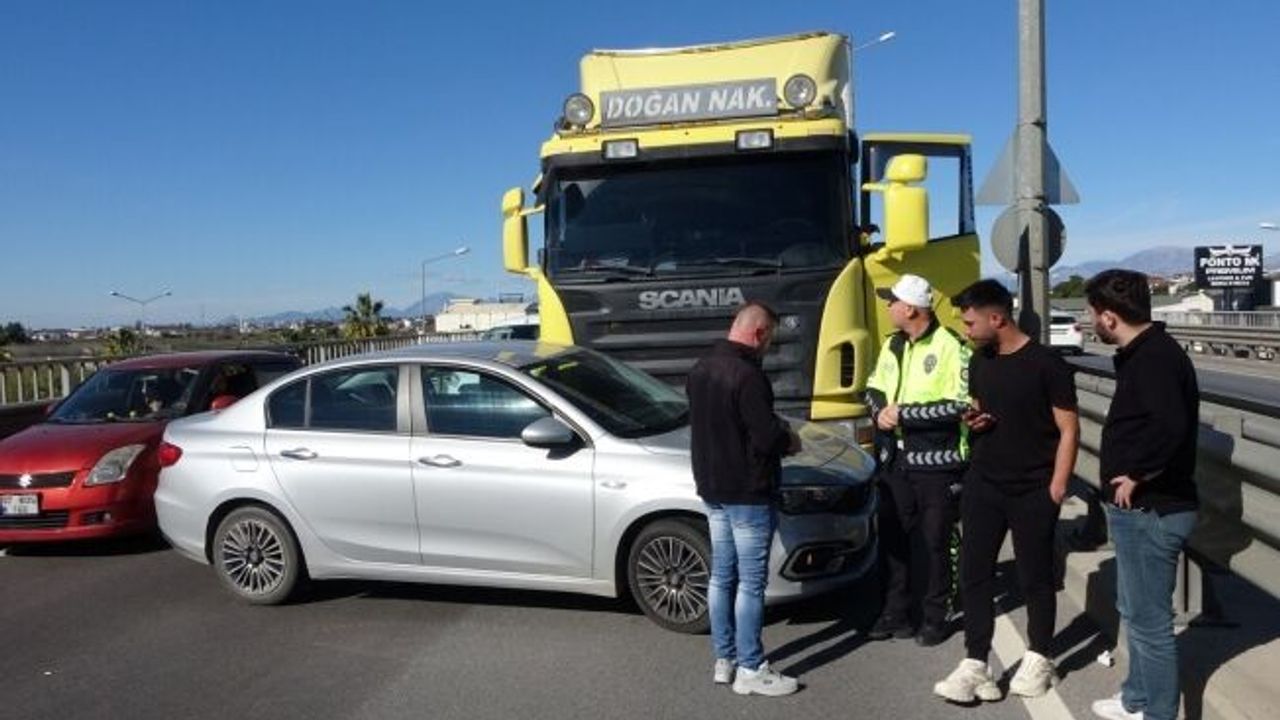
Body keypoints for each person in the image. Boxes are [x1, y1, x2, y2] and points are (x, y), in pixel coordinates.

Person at [934, 279, 1079, 704]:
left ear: (997, 318)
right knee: (974, 573)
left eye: (970, 320)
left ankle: (1040, 656)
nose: (966, 328)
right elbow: (982, 408)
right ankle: (976, 664)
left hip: (1033, 488)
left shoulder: (1047, 364)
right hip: (984, 482)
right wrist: (974, 419)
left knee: (1035, 577)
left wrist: (1056, 486)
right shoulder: (981, 359)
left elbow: (1069, 428)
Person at [1085, 270, 1199, 720]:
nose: (1090, 322)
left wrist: (1136, 474)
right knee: (1135, 611)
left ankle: (1158, 714)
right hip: (1146, 508)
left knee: (1151, 625)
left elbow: (1169, 427)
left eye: (1093, 313)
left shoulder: (1153, 359)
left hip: (1153, 509)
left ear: (1109, 318)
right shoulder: (1146, 353)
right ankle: (1137, 698)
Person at [686, 301, 802, 697]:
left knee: (722, 575)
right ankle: (751, 668)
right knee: (751, 584)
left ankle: (725, 659)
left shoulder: (700, 369)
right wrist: (790, 437)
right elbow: (766, 436)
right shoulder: (749, 375)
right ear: (759, 333)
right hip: (748, 492)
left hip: (712, 488)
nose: (769, 345)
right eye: (770, 337)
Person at [863, 274, 972, 647]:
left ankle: (935, 615)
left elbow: (960, 404)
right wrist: (879, 413)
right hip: (894, 460)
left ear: (910, 308)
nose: (888, 308)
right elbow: (874, 387)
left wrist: (904, 414)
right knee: (892, 540)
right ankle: (895, 612)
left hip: (936, 464)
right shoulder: (892, 344)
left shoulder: (952, 345)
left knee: (936, 542)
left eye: (892, 302)